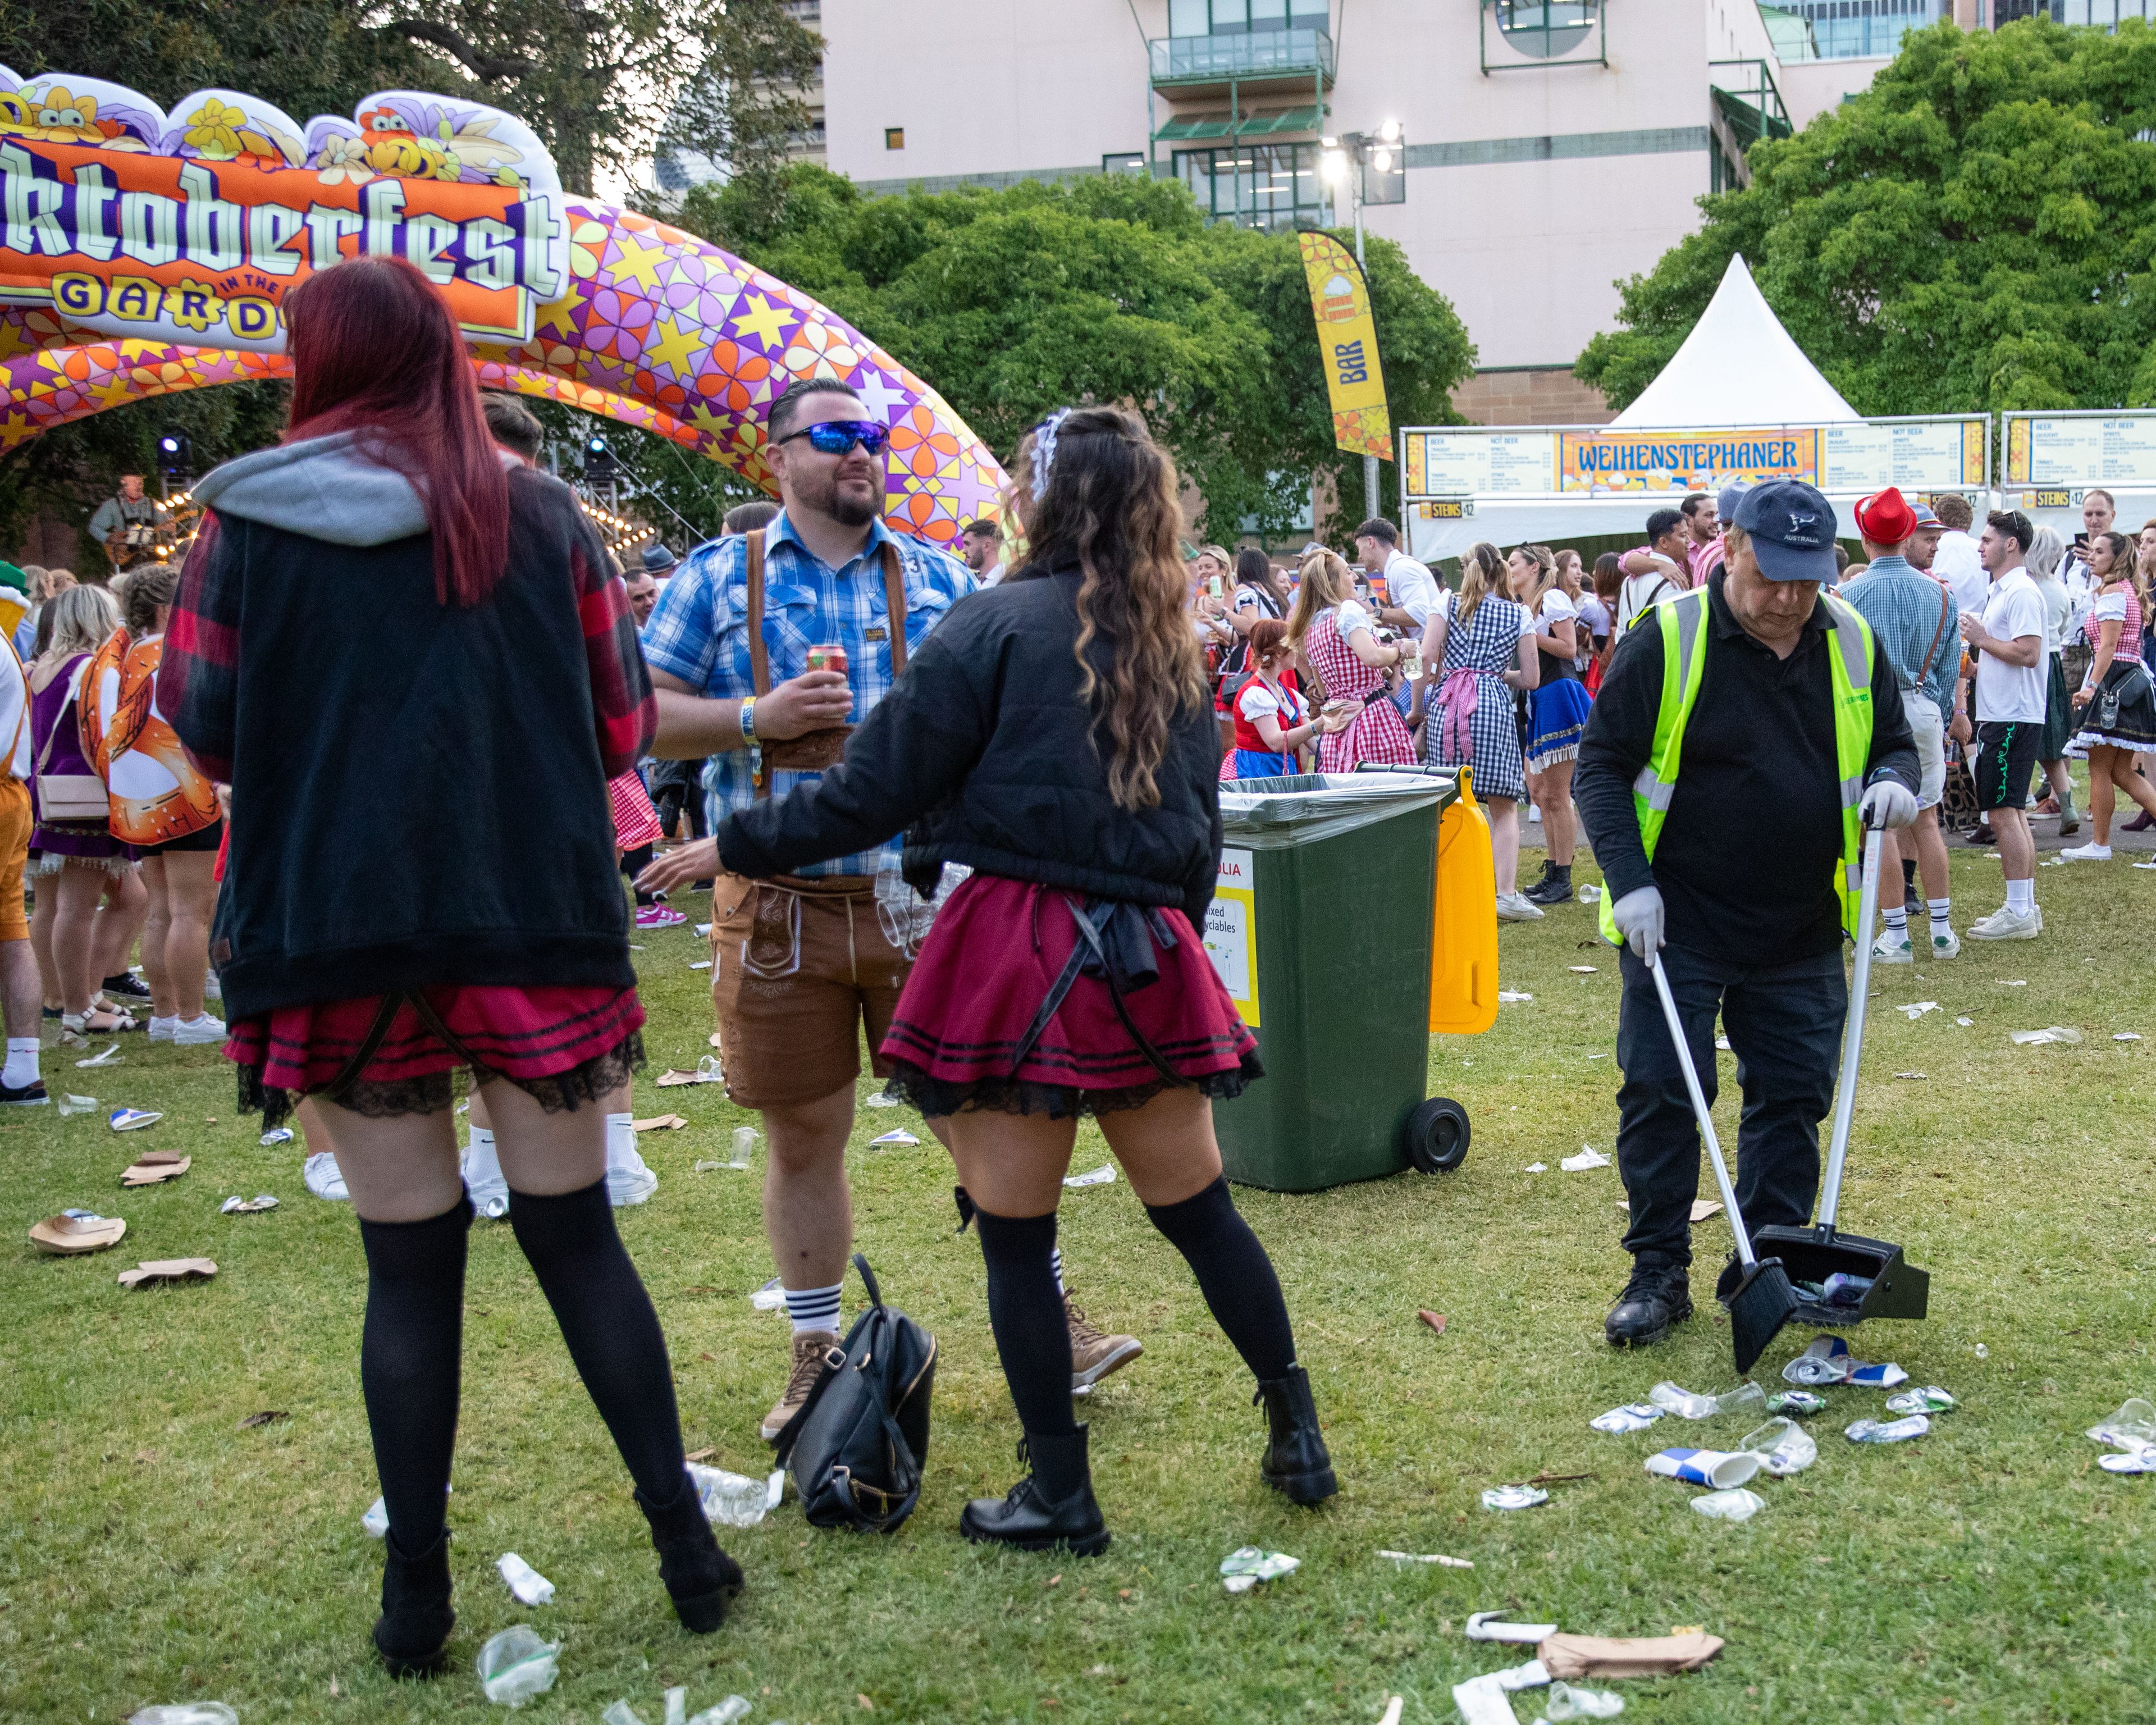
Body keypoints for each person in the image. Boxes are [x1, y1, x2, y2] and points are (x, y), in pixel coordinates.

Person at [159, 255, 739, 1667]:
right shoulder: (537, 513)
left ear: (319, 359)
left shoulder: (238, 525)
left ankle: (415, 1599)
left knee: (406, 1267)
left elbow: (204, 724)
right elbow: (619, 725)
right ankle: (688, 1551)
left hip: (331, 926)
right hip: (524, 913)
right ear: (442, 358)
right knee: (577, 1237)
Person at [709, 404, 1333, 1553]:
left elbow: (875, 790)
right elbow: (1196, 838)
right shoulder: (1170, 647)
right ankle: (1296, 1432)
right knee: (1202, 1219)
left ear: (1043, 504)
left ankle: (1063, 1494)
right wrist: (1169, 950)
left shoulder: (987, 627)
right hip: (1147, 955)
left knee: (1014, 1238)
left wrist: (735, 843)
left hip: (1013, 954)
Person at [633, 377, 1138, 1440]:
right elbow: (638, 716)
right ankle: (816, 1347)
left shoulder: (944, 577)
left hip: (926, 899)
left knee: (985, 1120)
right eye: (834, 436)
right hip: (781, 910)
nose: (861, 451)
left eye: (872, 436)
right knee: (806, 1134)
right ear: (777, 458)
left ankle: (1051, 1317)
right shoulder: (717, 579)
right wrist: (750, 716)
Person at [1576, 480, 1919, 1346]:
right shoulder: (1669, 640)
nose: (1789, 599)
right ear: (1728, 548)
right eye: (1772, 577)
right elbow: (1600, 768)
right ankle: (1658, 1272)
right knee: (1660, 1091)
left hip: (1801, 922)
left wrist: (1896, 783)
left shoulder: (1849, 637)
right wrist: (1630, 881)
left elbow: (1895, 741)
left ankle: (1763, 1263)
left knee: (1794, 1097)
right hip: (1679, 919)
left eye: (1806, 581)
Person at [478, 389, 663, 1202]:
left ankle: (490, 1165)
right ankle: (611, 1155)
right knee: (587, 979)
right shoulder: (560, 525)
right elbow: (626, 717)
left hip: (442, 819)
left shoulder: (380, 528)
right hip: (558, 804)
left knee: (482, 983)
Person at [99, 562, 226, 1043]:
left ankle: (168, 1014)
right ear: (163, 608)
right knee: (192, 910)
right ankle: (192, 1017)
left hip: (137, 797)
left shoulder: (124, 657)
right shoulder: (176, 656)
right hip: (184, 792)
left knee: (161, 910)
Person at [1841, 489, 1961, 964]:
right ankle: (1942, 931)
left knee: (1881, 823)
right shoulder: (1940, 593)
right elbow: (1951, 668)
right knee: (1928, 820)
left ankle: (1896, 934)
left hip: (1870, 713)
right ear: (1906, 534)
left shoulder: (1846, 595)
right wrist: (1939, 708)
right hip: (1923, 707)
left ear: (1866, 539)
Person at [1412, 539, 1541, 920]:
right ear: (1498, 571)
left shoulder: (1446, 604)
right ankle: (1503, 894)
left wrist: (1420, 708)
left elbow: (1426, 656)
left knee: (1448, 801)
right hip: (1493, 707)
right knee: (1503, 808)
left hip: (1449, 704)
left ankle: (1449, 886)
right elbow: (1531, 678)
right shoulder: (1518, 614)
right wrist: (1497, 674)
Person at [28, 585, 137, 1037]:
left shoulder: (41, 666)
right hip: (84, 795)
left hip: (46, 790)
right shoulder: (92, 669)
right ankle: (78, 1008)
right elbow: (110, 736)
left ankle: (60, 997)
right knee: (76, 906)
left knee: (52, 906)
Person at [1961, 510, 2048, 940]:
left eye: (1987, 539)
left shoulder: (2021, 592)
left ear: (2010, 544)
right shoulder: (2003, 591)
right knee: (2011, 810)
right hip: (2005, 710)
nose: (1980, 546)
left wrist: (1981, 640)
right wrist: (1978, 666)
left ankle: (2017, 911)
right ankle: (2024, 907)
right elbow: (2009, 652)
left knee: (2000, 813)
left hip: (2010, 715)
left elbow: (2029, 653)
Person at [2060, 530, 2156, 859]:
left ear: (2116, 558)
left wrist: (2091, 686)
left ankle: (2100, 844)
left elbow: (2108, 647)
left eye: (2100, 552)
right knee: (2119, 771)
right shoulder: (2127, 590)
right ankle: (2099, 843)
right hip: (2129, 680)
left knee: (2102, 769)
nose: (2093, 556)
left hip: (2114, 681)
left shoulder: (2115, 592)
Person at [1285, 547, 1414, 771]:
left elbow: (1325, 691)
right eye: (1348, 572)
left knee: (1350, 792)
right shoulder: (1347, 611)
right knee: (1387, 788)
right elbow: (1373, 657)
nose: (1355, 576)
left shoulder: (1313, 626)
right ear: (1333, 582)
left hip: (1338, 722)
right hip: (1372, 718)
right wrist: (1400, 652)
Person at [1513, 544, 1591, 907]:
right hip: (1539, 698)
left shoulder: (1552, 599)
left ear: (1533, 568)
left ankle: (1563, 877)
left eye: (1514, 563)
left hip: (1559, 693)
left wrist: (1527, 633)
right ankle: (1554, 871)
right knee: (1541, 794)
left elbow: (1569, 647)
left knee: (1557, 795)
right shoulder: (1524, 607)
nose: (1509, 569)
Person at [0, 609, 43, 1103]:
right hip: (12, 794)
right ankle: (22, 1067)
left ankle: (22, 1068)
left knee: (13, 929)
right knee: (11, 929)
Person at [1220, 618, 1330, 780]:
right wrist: (1321, 722)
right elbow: (1276, 743)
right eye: (1292, 646)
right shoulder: (1255, 693)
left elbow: (1314, 744)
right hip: (1257, 775)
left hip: (1280, 774)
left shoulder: (1289, 695)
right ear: (1279, 653)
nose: (1297, 652)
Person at [2025, 526, 2080, 835]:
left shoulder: (2023, 587)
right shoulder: (2059, 589)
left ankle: (2017, 803)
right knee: (2052, 743)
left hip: (2027, 664)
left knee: (2019, 735)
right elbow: (2065, 627)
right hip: (2054, 664)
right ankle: (2067, 804)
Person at [1355, 517, 1439, 636]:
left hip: (1431, 650)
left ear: (1370, 542)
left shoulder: (1401, 568)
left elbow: (1420, 613)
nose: (1359, 556)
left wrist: (1375, 612)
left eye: (1359, 548)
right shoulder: (1398, 568)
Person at [1615, 509, 1689, 629]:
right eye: (1683, 535)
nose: (1689, 541)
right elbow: (1678, 629)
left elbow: (1622, 629)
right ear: (1664, 542)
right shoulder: (1673, 580)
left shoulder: (1629, 580)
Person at [89, 474, 170, 576]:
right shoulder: (113, 505)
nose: (139, 485)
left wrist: (170, 528)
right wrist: (109, 538)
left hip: (153, 559)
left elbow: (167, 527)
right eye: (135, 481)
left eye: (141, 482)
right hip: (126, 562)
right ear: (123, 482)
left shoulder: (154, 504)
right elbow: (94, 527)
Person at [1930, 493, 1988, 615]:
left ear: (1938, 518)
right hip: (1976, 624)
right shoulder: (1983, 550)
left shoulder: (1931, 550)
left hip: (1940, 624)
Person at [1679, 491, 1721, 582]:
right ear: (1689, 519)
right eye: (1709, 515)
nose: (1716, 521)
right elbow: (1644, 554)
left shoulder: (1721, 547)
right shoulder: (1678, 550)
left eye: (1716, 515)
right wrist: (1660, 565)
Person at [961, 516, 1004, 585]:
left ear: (987, 546)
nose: (964, 551)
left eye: (968, 544)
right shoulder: (970, 582)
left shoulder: (1007, 579)